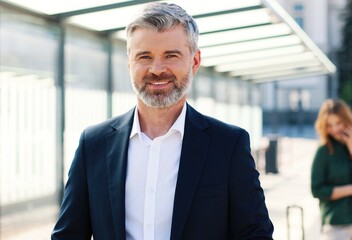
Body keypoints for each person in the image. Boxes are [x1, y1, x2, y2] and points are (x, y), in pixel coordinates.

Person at [51, 2, 273, 240]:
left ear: (194, 62)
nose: (157, 69)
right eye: (144, 56)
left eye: (171, 55)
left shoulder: (228, 144)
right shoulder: (93, 144)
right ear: (129, 63)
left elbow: (254, 234)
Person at [311, 99, 352, 240]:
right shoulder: (324, 151)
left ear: (347, 121)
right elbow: (317, 189)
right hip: (336, 225)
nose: (335, 129)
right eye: (329, 125)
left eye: (338, 123)